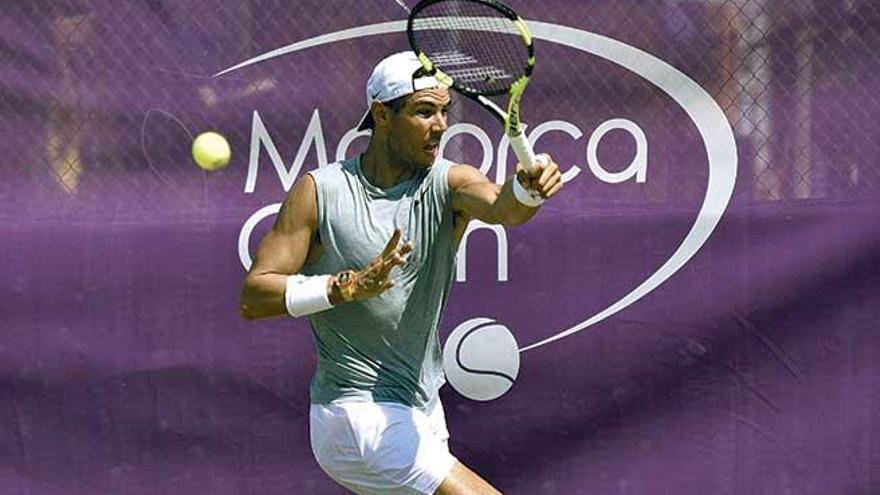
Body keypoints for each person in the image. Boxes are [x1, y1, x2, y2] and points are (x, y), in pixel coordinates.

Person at [239, 51, 563, 495]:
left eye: (445, 111)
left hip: (421, 410)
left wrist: (527, 190)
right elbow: (254, 296)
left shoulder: (449, 182)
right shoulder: (321, 191)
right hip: (356, 415)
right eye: (424, 111)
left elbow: (502, 206)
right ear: (382, 115)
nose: (441, 125)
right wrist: (345, 287)